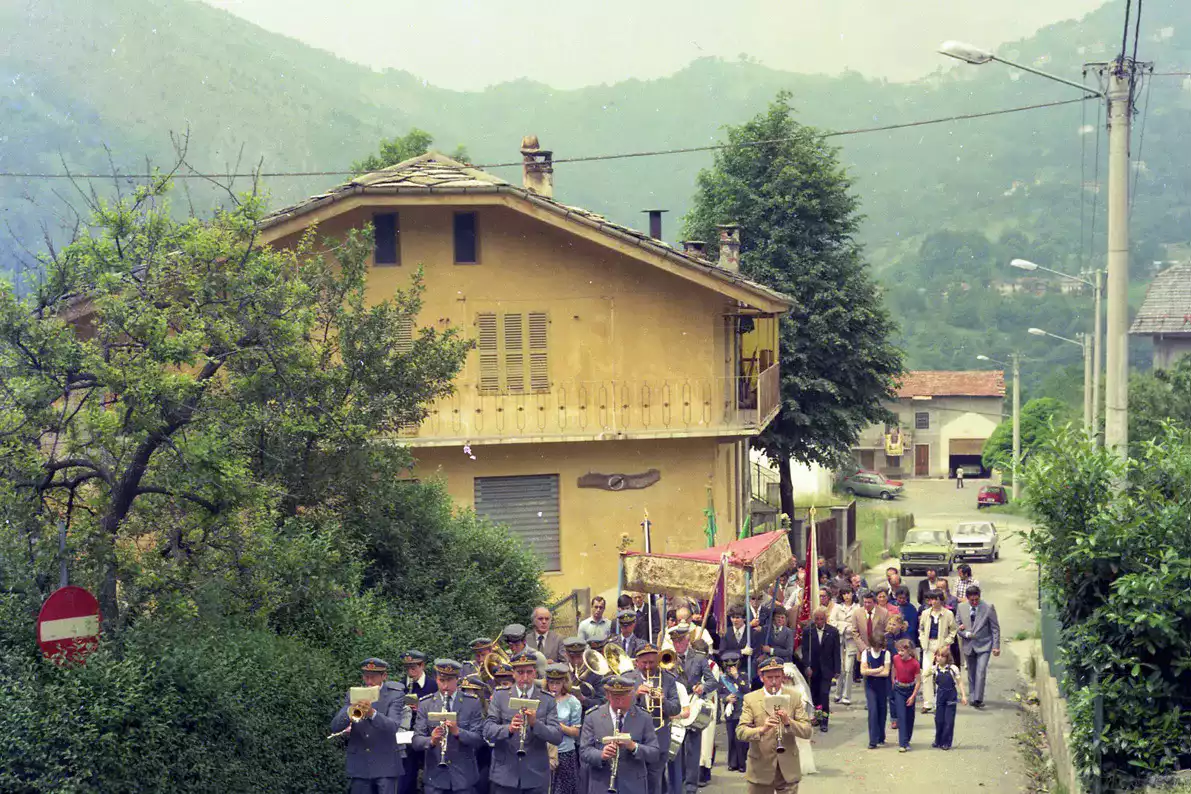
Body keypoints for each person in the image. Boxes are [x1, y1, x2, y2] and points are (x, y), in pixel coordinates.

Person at [483, 651, 562, 794]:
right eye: (520, 672)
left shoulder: (547, 699)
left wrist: (535, 724)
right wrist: (509, 729)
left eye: (528, 672)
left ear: (535, 673)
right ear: (513, 674)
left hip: (535, 776)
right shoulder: (500, 696)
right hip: (505, 775)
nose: (524, 678)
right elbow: (487, 730)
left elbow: (557, 737)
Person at [330, 657, 410, 794]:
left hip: (385, 764)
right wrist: (349, 712)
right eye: (366, 677)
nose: (369, 682)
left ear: (384, 676)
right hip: (360, 764)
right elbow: (335, 726)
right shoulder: (353, 694)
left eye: (373, 677)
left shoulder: (394, 695)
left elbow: (393, 726)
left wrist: (372, 713)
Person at [736, 657, 813, 794]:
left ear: (783, 676)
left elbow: (807, 731)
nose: (773, 682)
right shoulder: (751, 699)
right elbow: (741, 731)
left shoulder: (794, 697)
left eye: (777, 677)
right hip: (760, 768)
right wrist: (762, 729)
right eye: (769, 677)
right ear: (761, 678)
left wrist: (789, 722)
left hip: (788, 768)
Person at [579, 674, 660, 794]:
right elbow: (584, 751)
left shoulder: (644, 717)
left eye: (624, 696)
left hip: (633, 785)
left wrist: (634, 747)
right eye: (615, 696)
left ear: (632, 694)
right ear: (607, 695)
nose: (620, 701)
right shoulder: (593, 717)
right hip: (601, 784)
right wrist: (602, 754)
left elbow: (654, 753)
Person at [414, 659, 485, 794]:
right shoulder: (426, 704)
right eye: (442, 680)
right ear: (436, 679)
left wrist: (458, 732)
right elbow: (416, 740)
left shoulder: (472, 703)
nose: (445, 686)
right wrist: (431, 740)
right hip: (435, 779)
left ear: (457, 679)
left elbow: (479, 739)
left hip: (463, 778)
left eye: (450, 681)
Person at [628, 644, 680, 794]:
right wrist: (635, 695)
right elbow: (618, 708)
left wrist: (662, 700)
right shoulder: (627, 679)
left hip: (659, 737)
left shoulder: (668, 679)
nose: (648, 666)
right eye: (644, 663)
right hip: (634, 737)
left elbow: (676, 708)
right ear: (637, 662)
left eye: (652, 662)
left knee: (654, 781)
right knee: (633, 780)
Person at [671, 624, 716, 794]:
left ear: (687, 639)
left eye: (681, 640)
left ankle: (691, 786)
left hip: (693, 704)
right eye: (675, 641)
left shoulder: (698, 658)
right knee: (676, 747)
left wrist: (702, 687)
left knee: (692, 747)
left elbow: (713, 681)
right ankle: (677, 783)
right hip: (676, 706)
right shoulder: (668, 658)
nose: (678, 645)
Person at [400, 650, 439, 794]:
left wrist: (421, 709)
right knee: (406, 775)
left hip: (428, 735)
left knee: (431, 774)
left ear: (422, 666)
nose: (410, 672)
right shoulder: (401, 686)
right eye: (407, 668)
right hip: (407, 735)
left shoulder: (433, 685)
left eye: (413, 668)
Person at [796, 607, 840, 733]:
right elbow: (805, 650)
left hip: (827, 669)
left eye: (822, 619)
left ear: (826, 618)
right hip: (813, 669)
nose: (819, 621)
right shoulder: (808, 631)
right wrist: (807, 666)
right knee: (815, 696)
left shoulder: (833, 631)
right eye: (817, 619)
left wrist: (837, 669)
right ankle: (819, 717)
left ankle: (824, 721)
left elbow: (836, 651)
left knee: (824, 695)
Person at [956, 585, 1000, 708]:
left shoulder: (988, 607)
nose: (975, 602)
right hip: (968, 644)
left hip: (984, 644)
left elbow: (995, 628)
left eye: (977, 599)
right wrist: (964, 633)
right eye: (972, 600)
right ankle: (972, 696)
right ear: (967, 598)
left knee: (981, 671)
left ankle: (978, 699)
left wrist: (996, 646)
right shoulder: (961, 607)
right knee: (971, 672)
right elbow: (957, 625)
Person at [917, 590, 958, 714]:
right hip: (928, 645)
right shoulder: (925, 613)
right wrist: (922, 640)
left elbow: (953, 631)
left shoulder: (948, 614)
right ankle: (928, 703)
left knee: (941, 675)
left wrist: (946, 643)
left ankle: (940, 702)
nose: (933, 602)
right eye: (931, 599)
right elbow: (921, 629)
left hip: (942, 646)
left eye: (935, 599)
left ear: (941, 600)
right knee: (926, 673)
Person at [545, 664, 583, 794]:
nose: (554, 686)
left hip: (565, 752)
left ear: (564, 683)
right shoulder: (542, 698)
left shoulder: (573, 702)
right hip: (544, 752)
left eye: (558, 683)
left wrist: (559, 726)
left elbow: (576, 732)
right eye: (551, 683)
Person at [931, 647, 967, 750]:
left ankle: (946, 742)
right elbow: (923, 675)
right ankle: (938, 740)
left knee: (949, 721)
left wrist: (963, 695)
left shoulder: (953, 668)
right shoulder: (934, 669)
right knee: (939, 719)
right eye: (938, 656)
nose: (940, 658)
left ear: (947, 658)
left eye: (943, 656)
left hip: (951, 694)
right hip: (940, 695)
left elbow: (959, 682)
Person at [830, 587, 861, 705]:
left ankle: (846, 696)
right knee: (840, 669)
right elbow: (832, 622)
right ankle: (837, 694)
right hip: (838, 640)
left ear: (853, 594)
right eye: (844, 594)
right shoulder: (837, 607)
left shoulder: (857, 608)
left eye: (848, 593)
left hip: (851, 641)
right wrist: (846, 627)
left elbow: (857, 624)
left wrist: (844, 626)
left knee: (848, 669)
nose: (847, 596)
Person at [860, 635, 891, 749]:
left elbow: (886, 673)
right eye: (875, 646)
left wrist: (870, 671)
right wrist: (878, 670)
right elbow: (863, 671)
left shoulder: (886, 653)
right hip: (870, 685)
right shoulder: (866, 653)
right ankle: (872, 740)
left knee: (882, 711)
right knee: (873, 711)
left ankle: (881, 736)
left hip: (882, 685)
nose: (877, 649)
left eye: (879, 646)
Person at [717, 652, 747, 772]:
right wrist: (726, 699)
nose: (730, 669)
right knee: (731, 739)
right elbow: (719, 693)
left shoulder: (743, 676)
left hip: (741, 710)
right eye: (728, 667)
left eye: (733, 666)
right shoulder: (722, 679)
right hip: (730, 712)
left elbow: (746, 690)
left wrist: (736, 677)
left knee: (740, 739)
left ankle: (741, 764)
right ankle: (732, 763)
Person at [889, 640, 921, 752]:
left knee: (909, 717)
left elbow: (918, 682)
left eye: (902, 650)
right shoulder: (895, 658)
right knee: (901, 716)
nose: (900, 653)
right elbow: (894, 669)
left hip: (910, 690)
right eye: (898, 650)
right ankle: (903, 743)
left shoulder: (915, 664)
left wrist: (913, 696)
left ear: (909, 651)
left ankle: (907, 739)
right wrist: (893, 680)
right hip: (899, 689)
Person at [851, 592, 889, 662]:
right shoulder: (857, 613)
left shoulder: (884, 613)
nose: (866, 605)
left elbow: (887, 631)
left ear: (874, 603)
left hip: (879, 649)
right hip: (862, 649)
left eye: (869, 602)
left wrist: (879, 646)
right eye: (865, 602)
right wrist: (863, 648)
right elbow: (854, 632)